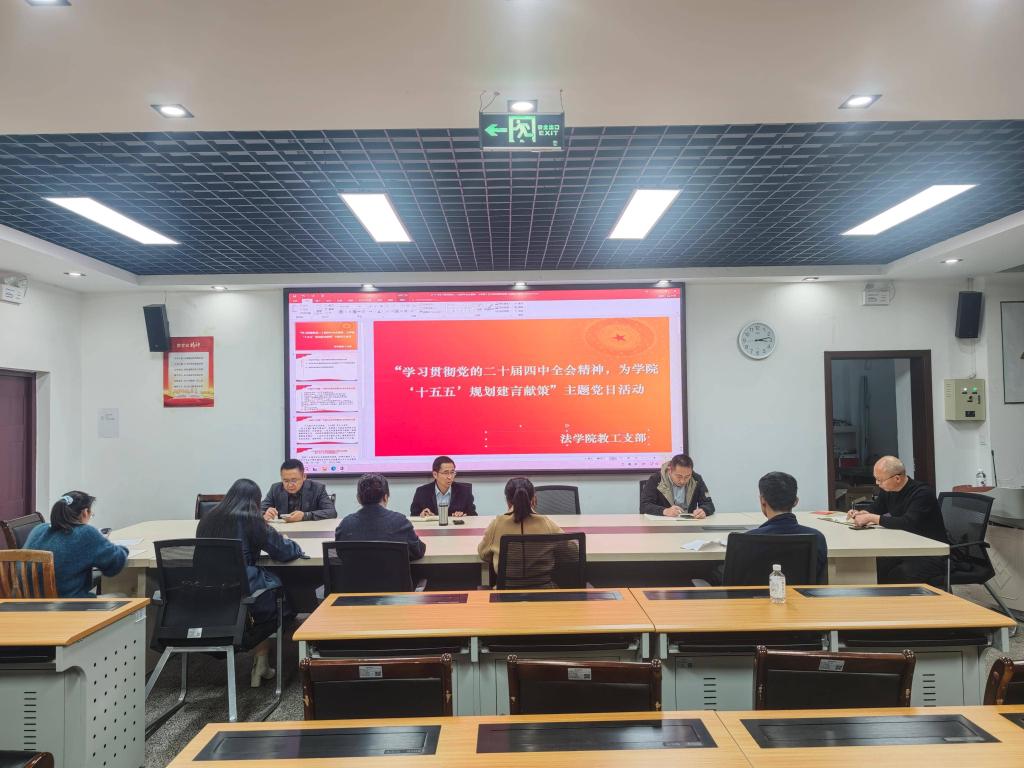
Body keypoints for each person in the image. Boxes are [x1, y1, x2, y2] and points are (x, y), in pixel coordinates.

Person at [197, 478, 305, 687]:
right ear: (254, 501)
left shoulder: (208, 518)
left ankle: (261, 662)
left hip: (210, 593)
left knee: (261, 603)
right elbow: (283, 551)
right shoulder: (250, 519)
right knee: (277, 600)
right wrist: (291, 543)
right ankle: (261, 661)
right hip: (244, 591)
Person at [848, 455, 949, 587]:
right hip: (906, 546)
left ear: (897, 478)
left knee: (898, 574)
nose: (877, 483)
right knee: (876, 565)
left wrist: (871, 518)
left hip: (931, 552)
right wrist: (862, 513)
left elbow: (907, 523)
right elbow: (877, 507)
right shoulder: (888, 489)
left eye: (880, 480)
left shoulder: (922, 493)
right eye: (876, 479)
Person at [24, 491, 128, 598]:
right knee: (122, 596)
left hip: (27, 604)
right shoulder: (85, 533)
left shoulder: (38, 529)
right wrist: (123, 549)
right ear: (85, 512)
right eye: (91, 514)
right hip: (69, 604)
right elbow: (114, 566)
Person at [477, 477, 572, 585]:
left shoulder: (496, 524)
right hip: (544, 591)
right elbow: (570, 551)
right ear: (533, 499)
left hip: (505, 592)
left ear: (507, 501)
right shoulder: (546, 523)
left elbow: (483, 554)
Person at [747, 471, 828, 583]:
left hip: (758, 595)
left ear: (762, 500)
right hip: (801, 595)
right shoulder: (817, 538)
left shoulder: (748, 540)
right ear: (796, 501)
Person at [335, 473, 426, 560]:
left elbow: (340, 554)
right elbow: (418, 551)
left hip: (356, 572)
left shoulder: (345, 525)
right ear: (385, 497)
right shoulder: (401, 522)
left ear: (358, 498)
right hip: (392, 571)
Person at [261, 458, 337, 522]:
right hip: (284, 531)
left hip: (309, 530)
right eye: (286, 481)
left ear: (304, 476)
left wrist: (305, 516)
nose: (290, 485)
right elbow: (258, 510)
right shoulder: (275, 489)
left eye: (294, 480)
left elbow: (332, 512)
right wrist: (264, 514)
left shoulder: (317, 488)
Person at [640, 454, 715, 518]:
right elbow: (644, 505)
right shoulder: (656, 479)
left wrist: (704, 510)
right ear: (670, 470)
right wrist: (665, 511)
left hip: (688, 524)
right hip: (664, 523)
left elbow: (709, 504)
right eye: (679, 476)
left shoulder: (696, 479)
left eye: (687, 476)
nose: (683, 481)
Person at [410, 455, 477, 518]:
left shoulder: (464, 491)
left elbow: (473, 516)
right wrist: (422, 515)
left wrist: (463, 515)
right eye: (446, 473)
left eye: (452, 472)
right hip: (432, 526)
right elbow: (413, 515)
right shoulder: (422, 492)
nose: (450, 477)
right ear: (435, 474)